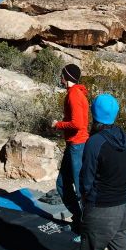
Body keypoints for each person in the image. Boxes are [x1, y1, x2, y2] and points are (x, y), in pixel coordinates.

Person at [79, 94, 126, 250]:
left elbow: (86, 180)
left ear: (93, 113)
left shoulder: (95, 142)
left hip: (101, 211)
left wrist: (85, 201)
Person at [51, 63, 89, 233]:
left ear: (67, 77)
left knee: (80, 187)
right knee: (62, 183)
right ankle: (79, 218)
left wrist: (57, 124)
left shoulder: (74, 95)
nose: (60, 77)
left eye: (62, 74)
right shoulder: (77, 93)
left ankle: (86, 224)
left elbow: (77, 124)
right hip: (73, 144)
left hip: (77, 145)